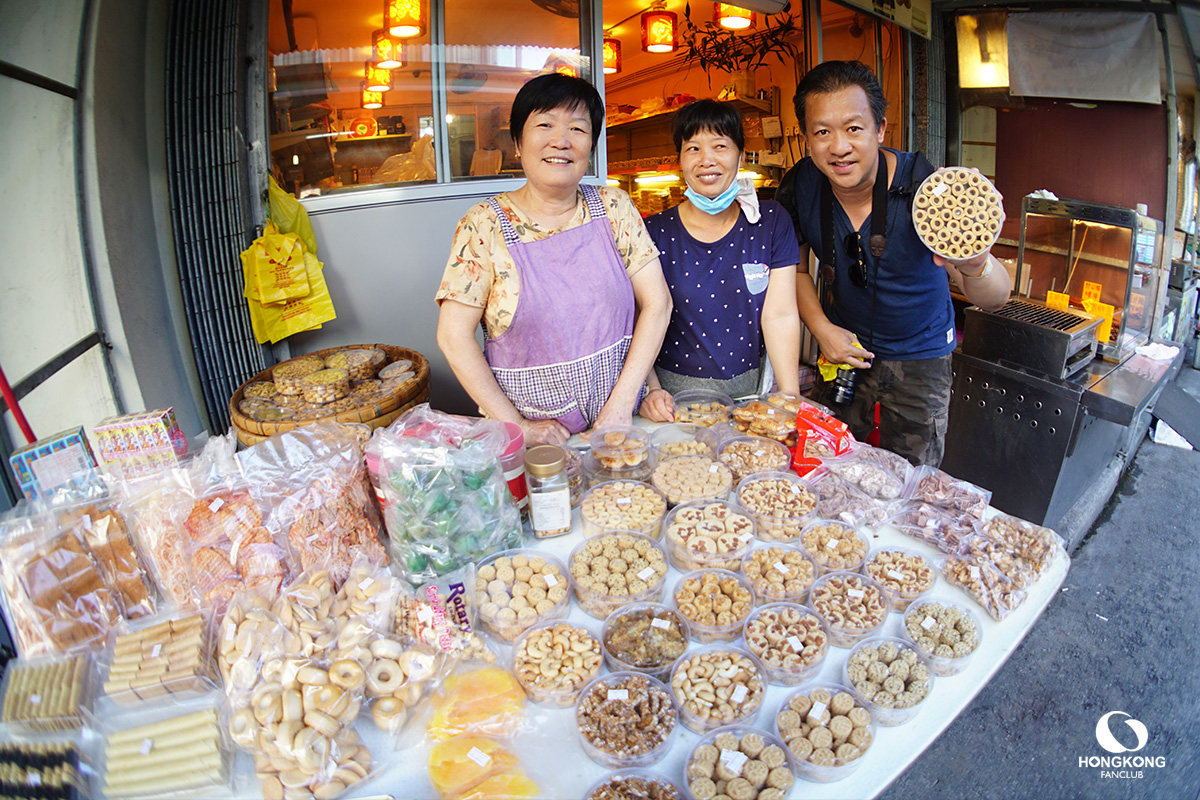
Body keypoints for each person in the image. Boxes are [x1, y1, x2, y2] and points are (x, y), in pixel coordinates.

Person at [777, 61, 1011, 466]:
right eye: (822, 132)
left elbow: (996, 297)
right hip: (843, 351)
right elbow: (794, 270)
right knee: (826, 464)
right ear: (806, 138)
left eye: (854, 128)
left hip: (922, 355)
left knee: (911, 476)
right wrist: (822, 329)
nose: (839, 147)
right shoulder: (802, 185)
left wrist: (975, 260)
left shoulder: (929, 188)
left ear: (880, 129)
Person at [436, 73, 672, 446]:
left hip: (621, 425)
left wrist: (624, 403)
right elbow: (453, 337)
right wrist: (517, 427)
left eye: (578, 129)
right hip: (539, 444)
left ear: (591, 146)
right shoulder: (484, 224)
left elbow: (658, 303)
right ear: (517, 141)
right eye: (544, 124)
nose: (561, 141)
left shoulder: (614, 207)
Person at [639, 99, 801, 422]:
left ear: (740, 155)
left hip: (751, 400)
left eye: (720, 146)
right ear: (680, 160)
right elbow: (637, 318)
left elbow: (780, 315)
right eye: (693, 148)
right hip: (673, 407)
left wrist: (790, 398)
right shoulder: (653, 231)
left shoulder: (770, 223)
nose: (706, 160)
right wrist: (650, 389)